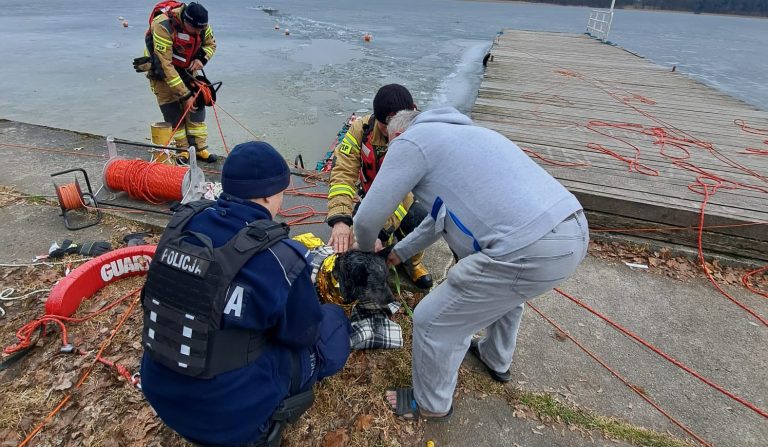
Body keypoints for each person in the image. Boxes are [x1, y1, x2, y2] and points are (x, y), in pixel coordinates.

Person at [353, 108, 589, 421]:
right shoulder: (469, 134)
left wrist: (366, 257)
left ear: (397, 133)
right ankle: (495, 358)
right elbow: (440, 217)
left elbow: (366, 220)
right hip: (573, 228)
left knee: (433, 321)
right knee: (505, 294)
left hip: (528, 250)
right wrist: (399, 252)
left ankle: (431, 404)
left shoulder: (409, 141)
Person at [140, 141, 352, 446]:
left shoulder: (182, 223)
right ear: (268, 194)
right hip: (230, 420)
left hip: (160, 394)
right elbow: (303, 335)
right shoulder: (281, 257)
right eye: (282, 192)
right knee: (332, 322)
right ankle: (264, 428)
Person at [326, 84, 433, 289]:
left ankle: (413, 263)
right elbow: (343, 174)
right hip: (371, 198)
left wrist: (381, 232)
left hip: (405, 200)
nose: (394, 131)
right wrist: (340, 219)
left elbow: (405, 193)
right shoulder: (361, 130)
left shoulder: (419, 138)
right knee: (354, 244)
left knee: (421, 221)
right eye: (387, 125)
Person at [135, 1, 218, 163]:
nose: (199, 32)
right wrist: (185, 95)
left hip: (187, 69)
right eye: (195, 29)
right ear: (186, 21)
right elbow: (165, 65)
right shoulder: (163, 26)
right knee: (172, 111)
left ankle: (199, 148)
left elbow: (211, 44)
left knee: (197, 107)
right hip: (161, 71)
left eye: (201, 29)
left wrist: (202, 59)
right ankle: (181, 150)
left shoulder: (202, 26)